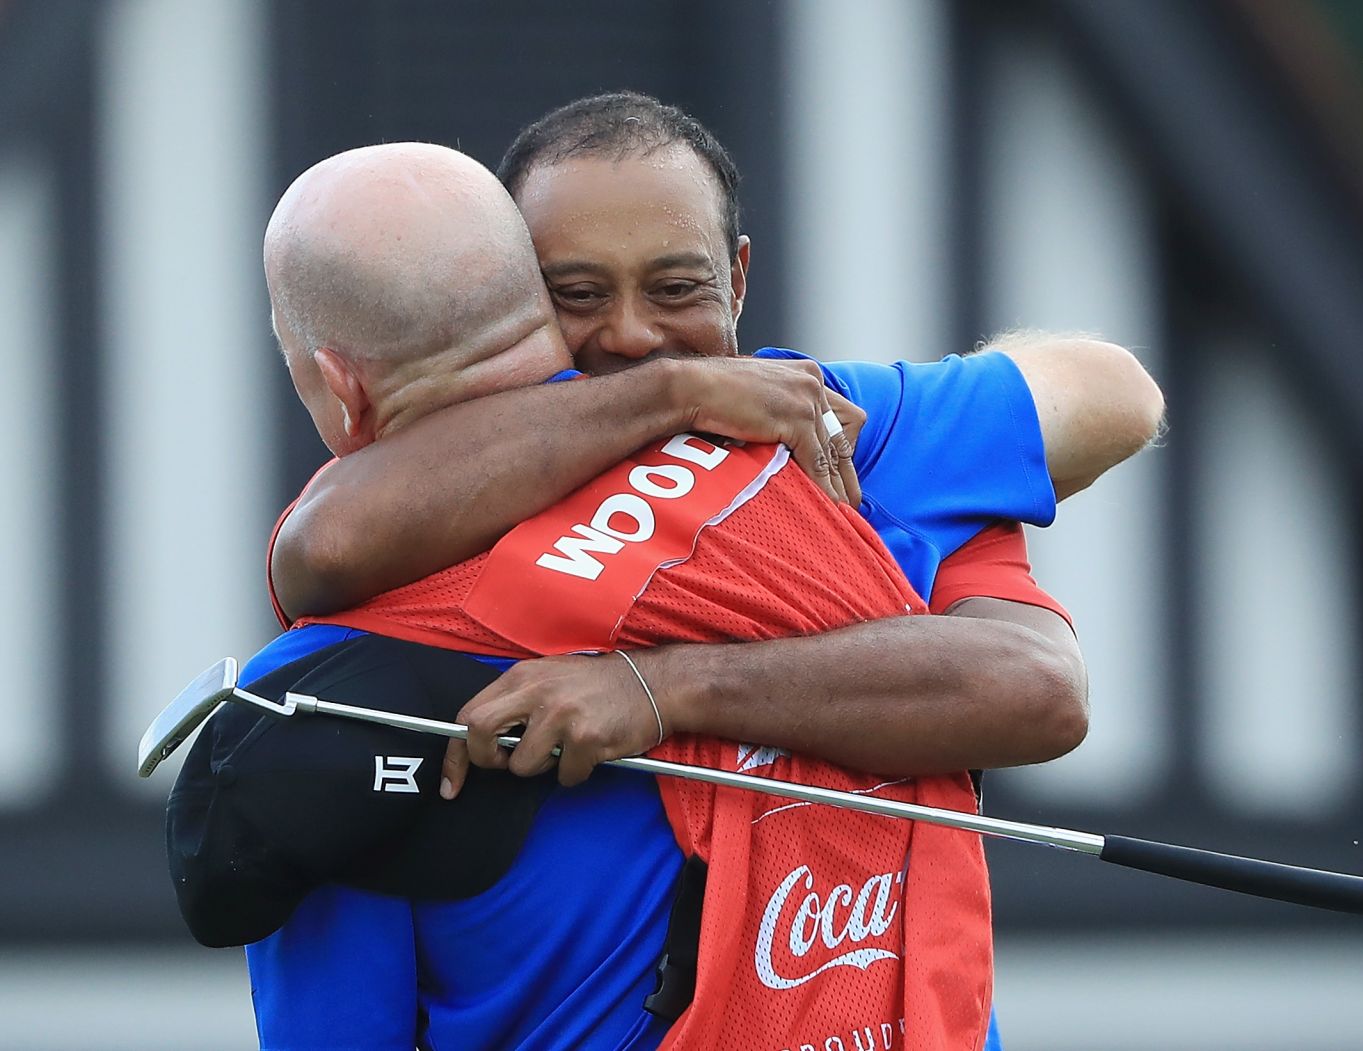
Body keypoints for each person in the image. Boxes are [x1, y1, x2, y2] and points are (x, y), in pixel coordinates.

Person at [233, 141, 1073, 1049]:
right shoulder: (852, 467)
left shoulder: (318, 699)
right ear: (534, 302)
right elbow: (1115, 397)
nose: (632, 338)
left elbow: (1039, 689)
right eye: (586, 293)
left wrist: (661, 690)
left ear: (344, 388)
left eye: (674, 289)